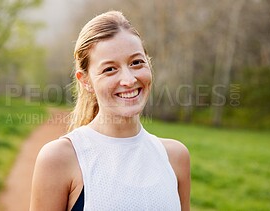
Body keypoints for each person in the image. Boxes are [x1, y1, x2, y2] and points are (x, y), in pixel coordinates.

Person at [30, 11, 190, 211]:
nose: (129, 79)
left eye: (136, 62)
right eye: (109, 69)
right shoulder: (59, 158)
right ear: (85, 81)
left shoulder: (176, 157)